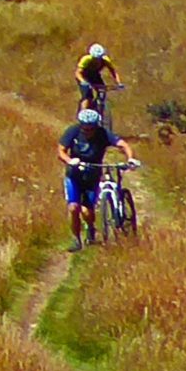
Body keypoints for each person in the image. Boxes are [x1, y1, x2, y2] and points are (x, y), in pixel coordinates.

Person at [57, 107, 129, 250]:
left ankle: (90, 228)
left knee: (87, 211)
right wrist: (70, 161)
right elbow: (61, 151)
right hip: (74, 175)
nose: (87, 131)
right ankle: (76, 240)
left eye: (91, 129)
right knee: (73, 208)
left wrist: (130, 158)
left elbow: (123, 145)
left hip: (92, 177)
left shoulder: (103, 134)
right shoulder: (73, 131)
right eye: (85, 128)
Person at [76, 43, 123, 114]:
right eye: (95, 58)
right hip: (84, 76)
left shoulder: (105, 60)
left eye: (99, 59)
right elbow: (78, 73)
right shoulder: (86, 59)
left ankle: (99, 109)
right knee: (87, 96)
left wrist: (119, 83)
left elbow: (113, 72)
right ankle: (83, 114)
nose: (97, 60)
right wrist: (83, 82)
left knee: (102, 91)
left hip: (94, 75)